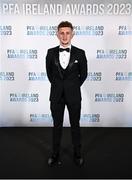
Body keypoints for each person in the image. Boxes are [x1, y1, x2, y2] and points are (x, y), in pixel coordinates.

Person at [46, 21, 87, 167]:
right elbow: (50, 74)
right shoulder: (50, 53)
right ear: (57, 34)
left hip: (74, 96)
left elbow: (84, 75)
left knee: (75, 125)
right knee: (57, 126)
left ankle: (78, 154)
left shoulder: (80, 53)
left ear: (72, 34)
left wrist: (72, 87)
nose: (64, 36)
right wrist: (59, 87)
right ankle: (55, 154)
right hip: (56, 96)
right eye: (61, 33)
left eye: (67, 32)